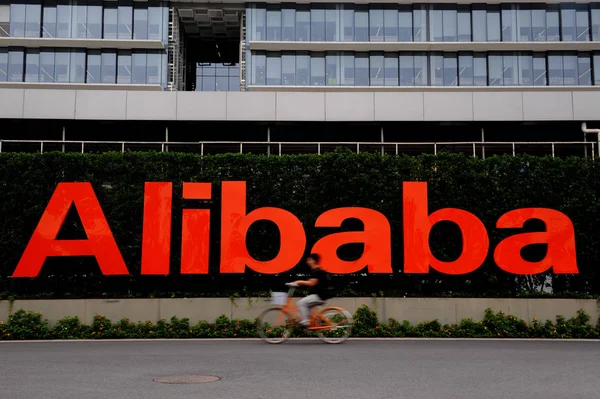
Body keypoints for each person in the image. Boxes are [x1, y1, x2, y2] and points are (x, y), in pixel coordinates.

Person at [293, 253, 332, 327]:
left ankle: (305, 322)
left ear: (314, 261)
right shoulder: (316, 271)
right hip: (320, 295)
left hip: (319, 296)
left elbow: (311, 283)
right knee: (307, 307)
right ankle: (316, 322)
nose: (307, 262)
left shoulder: (317, 271)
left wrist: (298, 282)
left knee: (301, 303)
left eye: (309, 260)